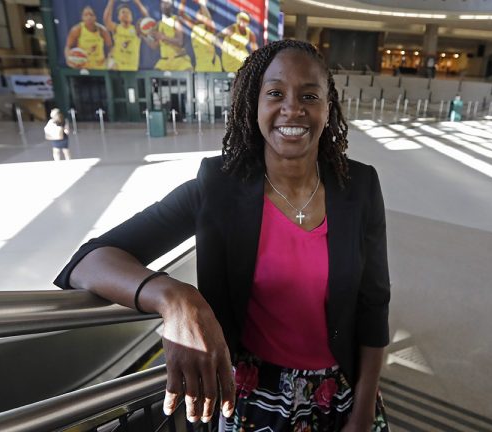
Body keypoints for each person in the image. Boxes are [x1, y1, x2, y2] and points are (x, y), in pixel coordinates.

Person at [54, 40, 390, 431]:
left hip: (342, 394)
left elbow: (374, 305)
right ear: (254, 105)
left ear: (328, 107)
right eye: (276, 93)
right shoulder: (217, 187)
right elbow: (88, 261)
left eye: (309, 95)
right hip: (251, 397)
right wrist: (175, 297)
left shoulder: (360, 186)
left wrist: (363, 410)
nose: (292, 108)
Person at [103, 0, 150, 71]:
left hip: (131, 69)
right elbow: (106, 21)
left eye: (128, 12)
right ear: (118, 17)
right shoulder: (116, 28)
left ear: (132, 17)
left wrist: (138, 2)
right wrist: (111, 2)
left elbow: (147, 19)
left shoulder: (136, 30)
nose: (126, 14)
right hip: (117, 68)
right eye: (123, 12)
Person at [179, 0, 222, 72]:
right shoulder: (195, 25)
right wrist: (183, 2)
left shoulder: (210, 26)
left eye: (200, 11)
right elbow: (181, 14)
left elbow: (208, 19)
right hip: (200, 63)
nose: (197, 12)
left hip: (211, 64)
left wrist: (202, 4)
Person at [151, 0, 193, 71]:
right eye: (163, 2)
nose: (165, 4)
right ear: (161, 4)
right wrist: (146, 36)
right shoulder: (159, 24)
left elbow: (180, 42)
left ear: (172, 5)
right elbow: (154, 46)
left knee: (189, 76)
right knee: (153, 79)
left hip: (179, 60)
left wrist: (163, 37)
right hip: (164, 61)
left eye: (168, 2)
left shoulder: (176, 20)